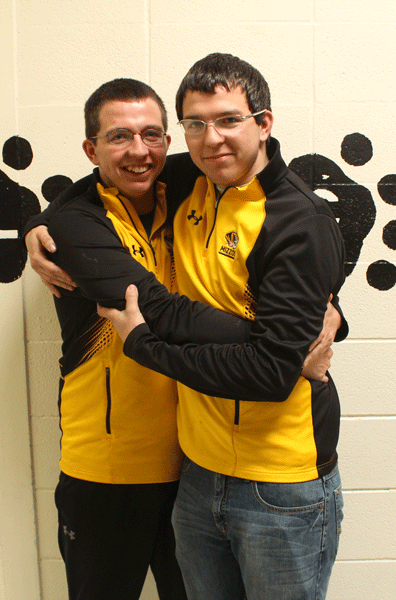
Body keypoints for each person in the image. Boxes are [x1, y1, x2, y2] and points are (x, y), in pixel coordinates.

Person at [25, 60, 346, 600]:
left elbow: (301, 268)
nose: (139, 151)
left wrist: (309, 332)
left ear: (263, 123)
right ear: (90, 149)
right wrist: (283, 348)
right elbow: (161, 308)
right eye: (118, 137)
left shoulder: (214, 189)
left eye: (152, 135)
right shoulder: (99, 214)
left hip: (222, 470)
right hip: (122, 467)